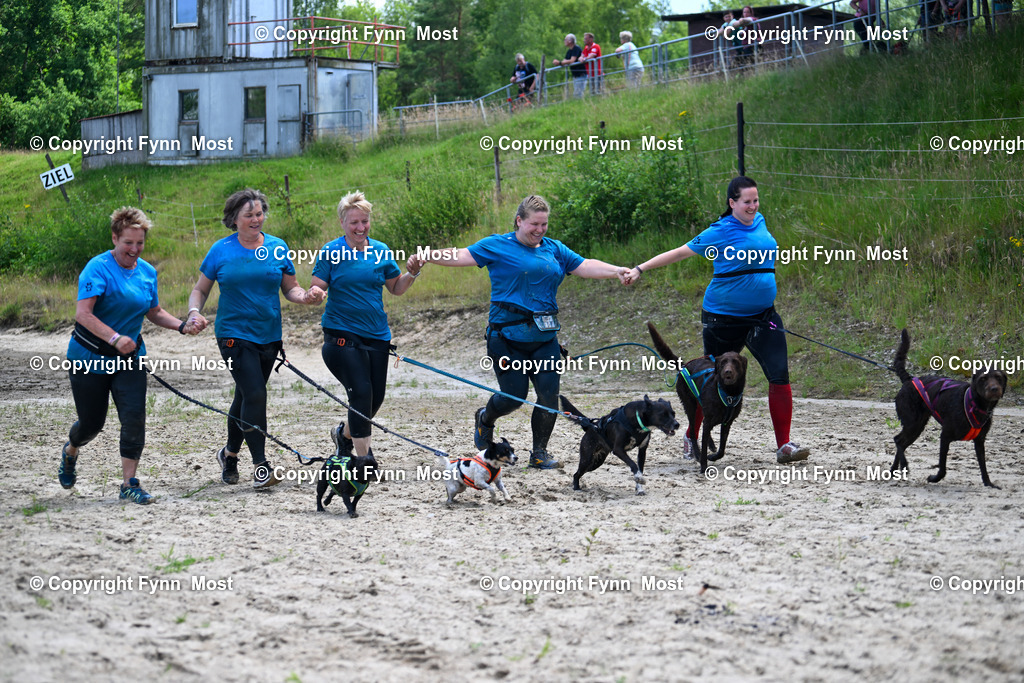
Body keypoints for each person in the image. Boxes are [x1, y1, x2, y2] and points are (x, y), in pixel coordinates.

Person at [414, 195, 631, 469]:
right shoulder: (497, 245)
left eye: (544, 224)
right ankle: (485, 418)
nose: (540, 230)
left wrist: (616, 271)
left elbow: (585, 265)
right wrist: (426, 255)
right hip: (506, 339)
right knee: (514, 396)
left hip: (544, 338)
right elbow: (461, 255)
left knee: (549, 396)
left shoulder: (555, 249)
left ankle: (539, 453)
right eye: (534, 224)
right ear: (519, 221)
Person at [623, 176, 811, 464]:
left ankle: (784, 445)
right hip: (723, 319)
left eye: (756, 200)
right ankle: (692, 436)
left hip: (763, 316)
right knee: (710, 383)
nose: (753, 206)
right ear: (732, 203)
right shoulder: (719, 231)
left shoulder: (760, 221)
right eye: (746, 202)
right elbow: (680, 252)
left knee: (779, 375)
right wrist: (640, 268)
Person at [60, 207, 201, 504]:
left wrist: (182, 326)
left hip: (129, 359)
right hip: (89, 357)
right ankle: (71, 450)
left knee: (134, 418)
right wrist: (114, 338)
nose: (135, 249)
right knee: (91, 424)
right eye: (128, 243)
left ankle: (129, 484)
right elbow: (83, 314)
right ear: (115, 238)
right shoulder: (97, 268)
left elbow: (154, 311)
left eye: (140, 243)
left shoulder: (147, 272)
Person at [187, 189, 323, 489]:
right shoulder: (221, 250)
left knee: (246, 396)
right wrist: (194, 312)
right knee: (256, 394)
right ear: (234, 219)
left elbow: (290, 288)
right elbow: (200, 290)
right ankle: (261, 466)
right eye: (248, 215)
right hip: (233, 335)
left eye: (259, 213)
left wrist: (306, 296)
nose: (255, 219)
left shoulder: (277, 247)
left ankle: (229, 455)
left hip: (268, 335)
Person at [307, 191, 421, 461]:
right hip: (341, 335)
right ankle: (364, 460)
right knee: (361, 392)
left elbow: (396, 288)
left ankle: (344, 435)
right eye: (354, 222)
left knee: (374, 399)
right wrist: (316, 294)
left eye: (364, 221)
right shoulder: (331, 252)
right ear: (342, 223)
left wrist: (412, 273)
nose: (360, 227)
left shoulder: (381, 250)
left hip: (377, 336)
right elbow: (316, 287)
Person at [552, 34, 586, 98]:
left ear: (570, 41)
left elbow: (572, 60)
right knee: (577, 94)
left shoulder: (576, 48)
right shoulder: (569, 51)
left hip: (580, 74)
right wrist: (558, 63)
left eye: (565, 40)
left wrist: (560, 62)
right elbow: (565, 61)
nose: (564, 41)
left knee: (578, 94)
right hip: (576, 75)